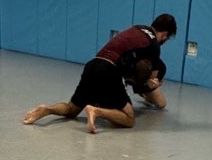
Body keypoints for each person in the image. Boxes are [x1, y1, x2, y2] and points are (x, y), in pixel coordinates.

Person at [22, 14, 176, 132]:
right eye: (166, 38)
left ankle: (47, 109)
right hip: (109, 71)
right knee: (129, 119)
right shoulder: (154, 46)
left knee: (71, 109)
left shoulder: (137, 27)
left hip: (93, 64)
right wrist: (151, 83)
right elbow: (150, 82)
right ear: (165, 34)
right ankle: (96, 111)